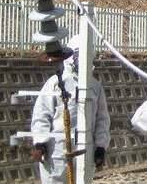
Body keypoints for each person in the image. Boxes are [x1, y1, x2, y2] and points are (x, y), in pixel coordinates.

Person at [30, 34, 110, 183]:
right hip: (57, 154)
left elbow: (102, 120)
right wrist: (40, 143)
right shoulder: (55, 83)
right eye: (78, 54)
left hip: (84, 153)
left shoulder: (95, 87)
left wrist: (100, 147)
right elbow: (42, 114)